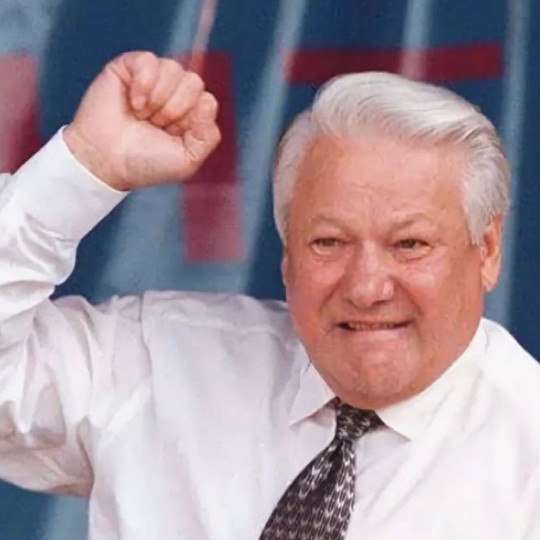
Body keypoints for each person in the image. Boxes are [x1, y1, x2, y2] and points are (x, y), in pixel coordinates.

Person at [0, 51, 539, 539]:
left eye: (410, 244)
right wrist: (84, 167)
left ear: (487, 250)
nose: (367, 287)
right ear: (287, 255)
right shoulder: (162, 362)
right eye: (329, 242)